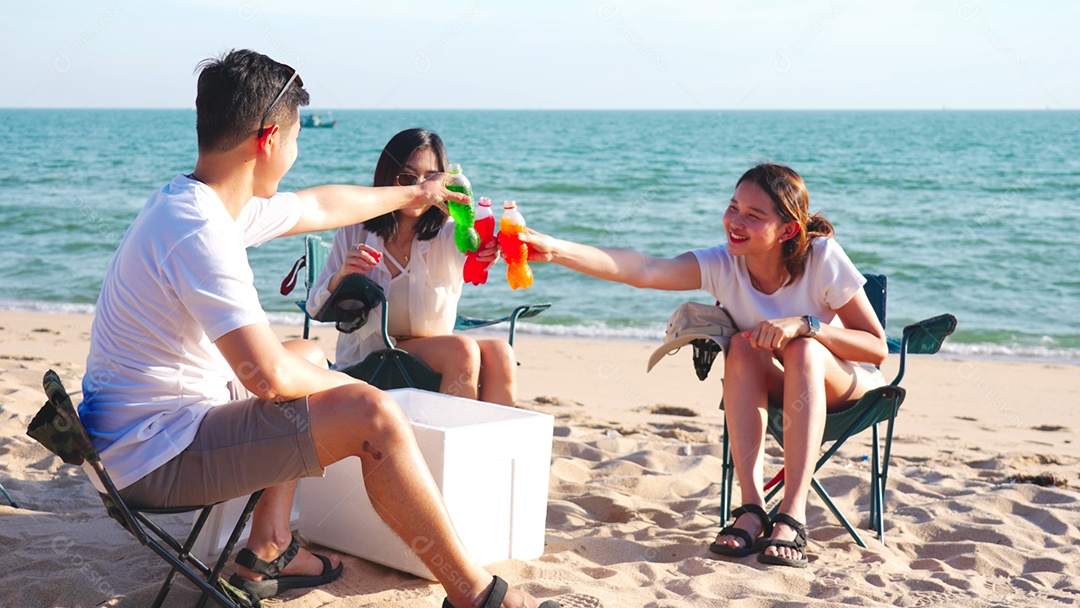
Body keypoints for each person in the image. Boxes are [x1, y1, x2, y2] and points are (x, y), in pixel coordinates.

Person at [79, 49, 557, 607]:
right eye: (297, 136)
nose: (296, 150)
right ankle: (476, 595)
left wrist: (415, 193)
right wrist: (369, 395)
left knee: (305, 351)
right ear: (269, 140)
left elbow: (319, 205)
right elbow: (265, 376)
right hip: (157, 458)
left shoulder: (199, 203)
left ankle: (271, 544)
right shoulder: (198, 229)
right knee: (371, 414)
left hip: (135, 436)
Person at [516, 163, 888, 568]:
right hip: (784, 385)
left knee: (802, 349)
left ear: (788, 230)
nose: (735, 221)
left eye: (753, 215)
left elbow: (875, 347)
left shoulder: (821, 257)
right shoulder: (723, 264)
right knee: (743, 346)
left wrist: (806, 326)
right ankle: (752, 509)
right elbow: (643, 269)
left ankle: (792, 515)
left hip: (848, 385)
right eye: (733, 207)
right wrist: (553, 249)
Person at [306, 128, 517, 405]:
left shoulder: (450, 233)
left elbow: (475, 253)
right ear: (386, 177)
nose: (421, 187)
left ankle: (492, 446)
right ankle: (449, 442)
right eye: (407, 177)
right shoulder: (354, 231)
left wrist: (490, 251)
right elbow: (314, 307)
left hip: (432, 351)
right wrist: (343, 275)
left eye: (431, 178)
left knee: (501, 352)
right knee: (462, 349)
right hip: (371, 357)